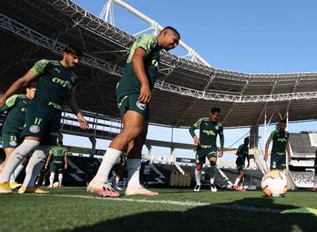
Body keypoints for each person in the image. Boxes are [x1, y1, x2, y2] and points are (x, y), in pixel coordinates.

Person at [88, 27, 180, 197]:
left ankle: (133, 185)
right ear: (164, 33)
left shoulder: (157, 52)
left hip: (141, 92)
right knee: (132, 130)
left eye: (176, 44)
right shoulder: (148, 38)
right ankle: (98, 180)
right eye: (173, 40)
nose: (174, 45)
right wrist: (145, 84)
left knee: (139, 139)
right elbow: (137, 57)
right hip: (133, 88)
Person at [0, 46, 89, 194]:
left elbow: (70, 99)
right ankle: (3, 181)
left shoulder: (73, 78)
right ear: (65, 54)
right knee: (32, 142)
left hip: (55, 113)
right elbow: (23, 80)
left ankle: (28, 185)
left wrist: (79, 116)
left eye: (79, 59)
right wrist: (4, 97)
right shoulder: (46, 64)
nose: (77, 61)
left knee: (45, 149)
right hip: (39, 109)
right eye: (74, 57)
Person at [0, 82, 37, 189]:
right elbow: (2, 109)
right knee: (12, 155)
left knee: (23, 159)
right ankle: (9, 181)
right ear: (27, 89)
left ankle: (9, 180)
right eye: (34, 90)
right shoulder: (17, 98)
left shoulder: (35, 104)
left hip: (23, 134)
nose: (36, 93)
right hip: (10, 130)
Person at [189, 107, 225, 192]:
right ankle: (198, 184)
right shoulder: (202, 120)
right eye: (214, 115)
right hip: (201, 148)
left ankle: (212, 183)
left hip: (212, 148)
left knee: (213, 161)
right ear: (210, 114)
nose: (216, 117)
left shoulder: (219, 126)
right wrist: (194, 137)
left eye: (217, 115)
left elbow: (222, 137)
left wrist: (222, 149)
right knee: (198, 167)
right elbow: (191, 129)